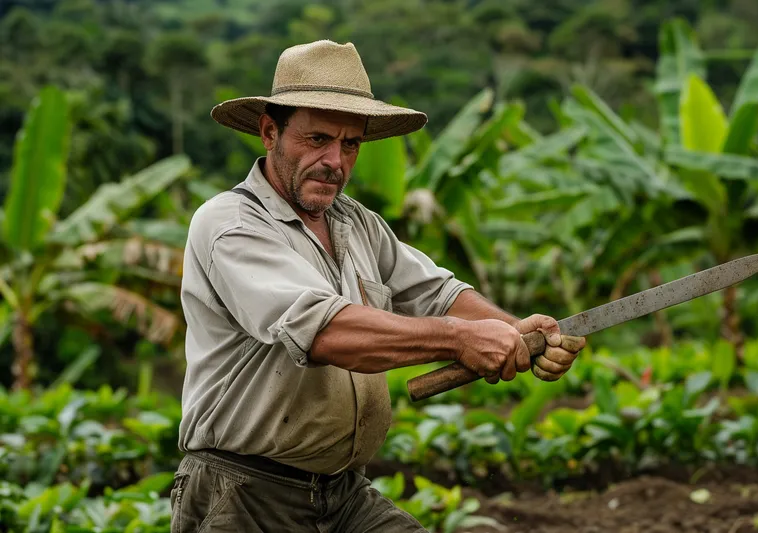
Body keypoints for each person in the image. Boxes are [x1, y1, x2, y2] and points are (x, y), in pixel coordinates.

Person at [172, 39, 586, 533]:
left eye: (350, 145)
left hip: (342, 492)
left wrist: (516, 332)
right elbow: (325, 332)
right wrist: (459, 339)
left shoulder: (353, 222)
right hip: (245, 495)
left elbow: (437, 292)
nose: (335, 160)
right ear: (270, 132)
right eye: (317, 139)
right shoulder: (231, 224)